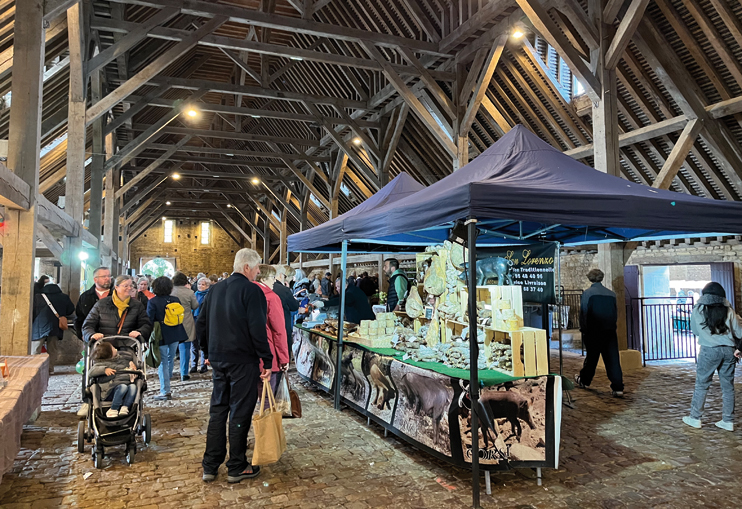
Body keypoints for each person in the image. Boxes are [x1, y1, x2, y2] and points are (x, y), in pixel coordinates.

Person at [197, 248, 273, 484]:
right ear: (247, 267)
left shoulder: (215, 289)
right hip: (242, 360)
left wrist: (207, 352)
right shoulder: (252, 291)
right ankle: (236, 465)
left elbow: (201, 324)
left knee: (218, 410)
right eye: (258, 267)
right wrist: (267, 359)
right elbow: (257, 329)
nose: (259, 272)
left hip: (219, 358)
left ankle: (210, 465)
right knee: (240, 411)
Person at [683, 282, 742, 432]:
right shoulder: (729, 310)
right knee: (728, 387)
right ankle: (727, 420)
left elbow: (695, 331)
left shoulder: (698, 309)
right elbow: (739, 333)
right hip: (729, 350)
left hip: (709, 350)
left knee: (702, 384)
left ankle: (695, 418)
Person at [574, 269, 625, 397]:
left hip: (593, 331)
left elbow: (584, 313)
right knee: (613, 360)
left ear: (590, 278)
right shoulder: (611, 294)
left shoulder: (587, 293)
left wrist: (584, 329)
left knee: (591, 358)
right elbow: (615, 313)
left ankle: (585, 380)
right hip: (609, 331)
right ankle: (618, 387)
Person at [147, 276, 189, 399]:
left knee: (163, 362)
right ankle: (168, 380)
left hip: (161, 334)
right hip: (176, 332)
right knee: (171, 358)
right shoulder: (175, 299)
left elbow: (149, 319)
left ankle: (165, 390)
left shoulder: (153, 302)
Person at [82, 275, 152, 343]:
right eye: (126, 286)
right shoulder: (101, 304)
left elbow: (146, 325)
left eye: (131, 286)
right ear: (116, 287)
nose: (129, 288)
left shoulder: (137, 305)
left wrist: (140, 331)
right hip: (104, 346)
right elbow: (88, 325)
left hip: (129, 346)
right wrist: (91, 334)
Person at [255, 266, 290, 392]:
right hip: (267, 354)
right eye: (272, 277)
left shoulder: (243, 293)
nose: (274, 281)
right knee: (267, 398)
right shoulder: (271, 297)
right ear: (263, 278)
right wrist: (284, 358)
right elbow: (278, 331)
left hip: (245, 355)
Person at [32, 280, 75, 374]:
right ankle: (50, 369)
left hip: (39, 325)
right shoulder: (64, 297)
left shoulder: (38, 296)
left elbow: (33, 311)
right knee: (52, 349)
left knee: (36, 349)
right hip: (56, 326)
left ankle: (33, 370)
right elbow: (71, 309)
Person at [88, 342, 140, 418]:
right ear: (109, 354)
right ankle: (113, 409)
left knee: (133, 387)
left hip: (124, 386)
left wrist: (132, 367)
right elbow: (91, 372)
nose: (115, 349)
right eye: (112, 348)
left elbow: (127, 367)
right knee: (123, 387)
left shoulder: (120, 359)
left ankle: (125, 407)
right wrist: (104, 370)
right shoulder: (100, 364)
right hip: (109, 391)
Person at [171, 272, 200, 379]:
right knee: (185, 349)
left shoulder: (170, 292)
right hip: (186, 321)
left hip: (171, 321)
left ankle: (169, 372)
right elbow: (195, 305)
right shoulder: (189, 292)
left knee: (170, 349)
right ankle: (184, 373)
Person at [75, 267, 112, 340]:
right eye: (104, 276)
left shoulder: (116, 295)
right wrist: (82, 335)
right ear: (95, 279)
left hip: (112, 337)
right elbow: (79, 317)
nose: (107, 278)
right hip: (91, 337)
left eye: (109, 276)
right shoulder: (85, 296)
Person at [273, 265, 300, 358]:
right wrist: (289, 290)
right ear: (281, 275)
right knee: (283, 354)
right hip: (283, 323)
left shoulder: (268, 287)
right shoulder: (283, 290)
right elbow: (294, 306)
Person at [191, 276, 211, 373]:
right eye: (199, 284)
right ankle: (194, 365)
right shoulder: (195, 294)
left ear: (207, 286)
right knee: (194, 343)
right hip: (194, 319)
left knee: (203, 342)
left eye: (203, 284)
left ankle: (204, 364)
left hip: (204, 321)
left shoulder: (209, 295)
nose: (200, 286)